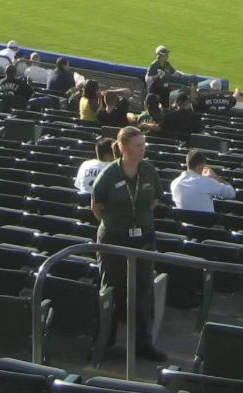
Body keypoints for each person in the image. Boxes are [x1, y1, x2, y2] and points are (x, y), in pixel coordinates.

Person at [90, 126, 167, 361]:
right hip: (114, 239)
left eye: (143, 144)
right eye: (137, 145)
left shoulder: (149, 171)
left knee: (142, 291)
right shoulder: (109, 174)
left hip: (143, 239)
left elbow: (154, 199)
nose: (142, 149)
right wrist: (117, 224)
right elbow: (96, 207)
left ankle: (142, 344)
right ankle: (104, 341)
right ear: (123, 148)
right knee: (111, 290)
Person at [170, 150, 236, 214]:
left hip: (185, 223)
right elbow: (231, 193)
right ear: (201, 166)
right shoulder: (206, 182)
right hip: (207, 224)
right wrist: (216, 178)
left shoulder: (174, 183)